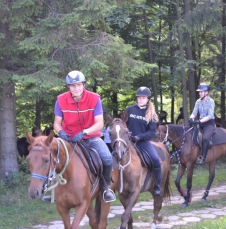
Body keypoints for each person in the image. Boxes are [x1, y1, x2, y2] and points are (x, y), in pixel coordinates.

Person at [43, 70, 116, 203]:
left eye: (79, 85)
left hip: (90, 136)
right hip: (68, 137)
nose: (76, 88)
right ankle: (52, 189)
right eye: (72, 86)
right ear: (68, 87)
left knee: (107, 157)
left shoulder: (94, 98)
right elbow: (57, 123)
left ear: (84, 85)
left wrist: (84, 133)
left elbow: (100, 124)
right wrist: (61, 132)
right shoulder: (60, 100)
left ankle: (106, 188)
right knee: (52, 154)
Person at [125, 86, 162, 196]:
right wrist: (127, 133)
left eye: (143, 98)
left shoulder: (151, 114)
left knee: (155, 160)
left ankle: (157, 185)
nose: (141, 99)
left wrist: (139, 137)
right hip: (128, 142)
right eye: (139, 97)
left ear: (147, 99)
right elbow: (123, 124)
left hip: (143, 142)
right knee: (114, 157)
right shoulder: (130, 109)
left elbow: (151, 132)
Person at [188, 83, 215, 165]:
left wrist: (199, 121)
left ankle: (203, 158)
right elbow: (194, 113)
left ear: (206, 92)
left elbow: (210, 116)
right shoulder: (198, 102)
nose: (199, 93)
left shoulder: (211, 101)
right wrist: (191, 118)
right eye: (199, 92)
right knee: (190, 135)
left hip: (209, 124)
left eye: (201, 92)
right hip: (200, 123)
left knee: (205, 138)